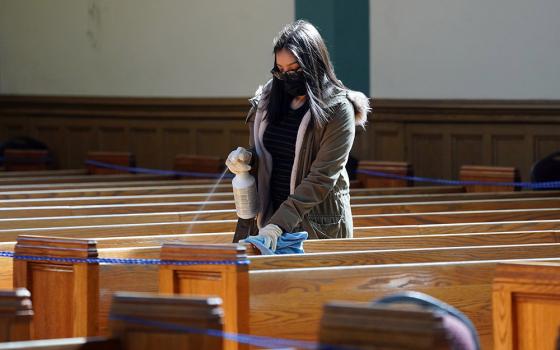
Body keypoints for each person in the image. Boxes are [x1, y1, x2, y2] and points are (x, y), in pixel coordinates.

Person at [226, 20, 370, 251]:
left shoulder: (338, 108)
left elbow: (322, 178)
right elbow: (272, 155)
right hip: (267, 220)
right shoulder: (268, 101)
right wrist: (247, 159)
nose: (286, 77)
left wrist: (278, 225)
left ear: (314, 64)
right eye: (280, 70)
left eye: (294, 69)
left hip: (315, 224)